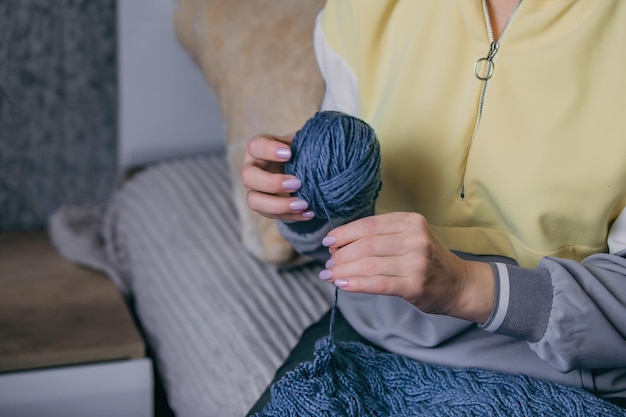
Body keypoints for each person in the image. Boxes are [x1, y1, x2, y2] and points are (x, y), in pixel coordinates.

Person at [241, 0, 626, 412]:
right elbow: (336, 244)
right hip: (371, 338)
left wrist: (465, 285)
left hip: (568, 376)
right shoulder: (361, 12)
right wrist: (303, 197)